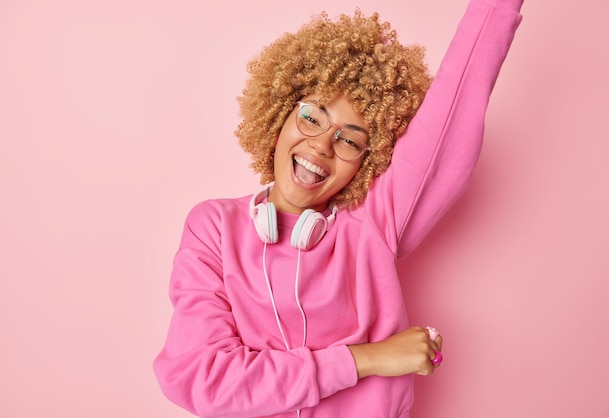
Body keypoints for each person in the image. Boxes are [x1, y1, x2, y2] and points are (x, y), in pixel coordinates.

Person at [153, 0, 524, 417]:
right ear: (279, 115)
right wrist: (367, 359)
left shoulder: (373, 225)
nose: (321, 145)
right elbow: (205, 380)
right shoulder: (214, 227)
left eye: (349, 140)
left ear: (368, 160)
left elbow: (452, 112)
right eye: (312, 117)